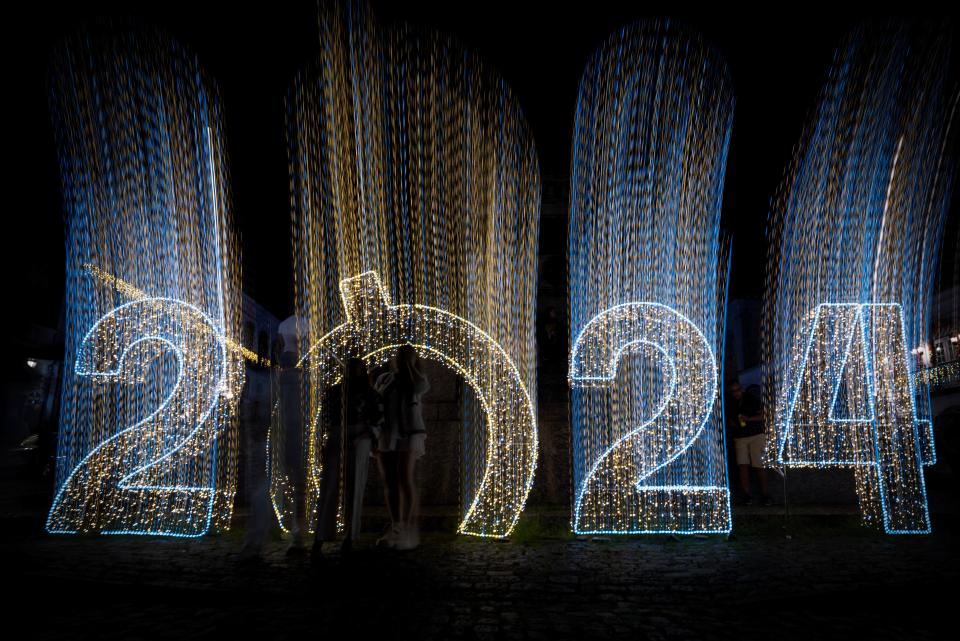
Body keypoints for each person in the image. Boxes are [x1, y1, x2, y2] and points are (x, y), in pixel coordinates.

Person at [312, 358, 382, 561]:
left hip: (353, 438)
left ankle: (338, 537)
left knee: (343, 488)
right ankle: (332, 536)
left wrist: (367, 434)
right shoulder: (343, 393)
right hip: (347, 437)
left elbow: (378, 418)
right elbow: (326, 418)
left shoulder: (344, 393)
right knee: (335, 488)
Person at [373, 344, 430, 550]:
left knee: (404, 477)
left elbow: (420, 388)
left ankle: (405, 527)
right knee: (389, 479)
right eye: (400, 355)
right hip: (386, 433)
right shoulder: (385, 379)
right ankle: (396, 524)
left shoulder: (416, 379)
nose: (401, 358)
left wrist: (409, 366)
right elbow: (376, 400)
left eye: (407, 356)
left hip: (408, 434)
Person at [727, 381, 772, 506]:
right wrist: (732, 423)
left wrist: (749, 419)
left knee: (759, 465)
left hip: (756, 434)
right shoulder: (730, 403)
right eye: (733, 391)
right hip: (740, 436)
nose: (735, 393)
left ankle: (765, 494)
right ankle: (747, 496)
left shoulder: (752, 399)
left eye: (737, 390)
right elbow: (729, 418)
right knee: (743, 465)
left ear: (741, 389)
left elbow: (765, 415)